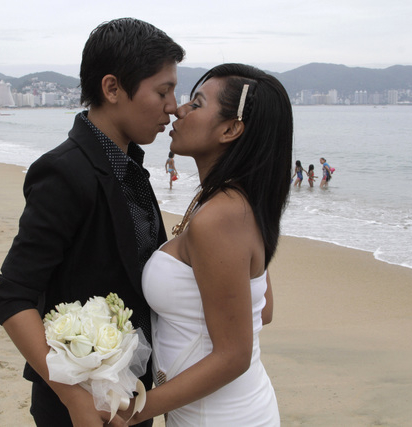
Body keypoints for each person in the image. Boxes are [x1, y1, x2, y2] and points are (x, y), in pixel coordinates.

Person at [0, 18, 184, 427]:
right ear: (112, 89)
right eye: (163, 91)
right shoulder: (64, 172)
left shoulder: (129, 166)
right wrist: (75, 399)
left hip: (129, 396)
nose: (173, 106)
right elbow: (12, 295)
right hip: (77, 409)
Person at [123, 63, 292, 426]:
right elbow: (261, 309)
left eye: (197, 104)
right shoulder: (228, 202)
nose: (179, 110)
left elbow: (234, 355)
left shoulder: (220, 217)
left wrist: (135, 412)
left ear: (231, 129)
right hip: (216, 409)